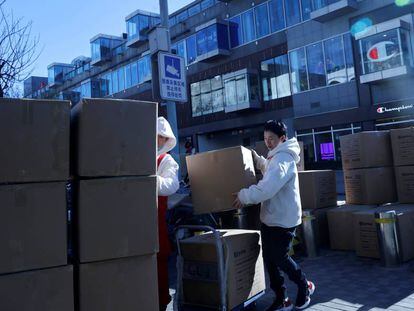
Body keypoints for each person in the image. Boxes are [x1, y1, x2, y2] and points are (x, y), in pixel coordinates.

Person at [233, 120, 315, 311]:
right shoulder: (276, 157)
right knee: (270, 259)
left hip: (283, 219)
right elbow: (270, 171)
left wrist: (243, 195)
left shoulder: (284, 159)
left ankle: (304, 285)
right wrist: (259, 160)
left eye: (271, 139)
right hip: (271, 217)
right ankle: (281, 298)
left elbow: (268, 187)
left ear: (282, 138)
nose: (268, 142)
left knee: (280, 257)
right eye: (265, 139)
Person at [156, 116, 180, 311]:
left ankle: (162, 302)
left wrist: (147, 179)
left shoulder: (167, 160)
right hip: (137, 219)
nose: (160, 140)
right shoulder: (139, 155)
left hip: (156, 219)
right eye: (157, 135)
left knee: (159, 261)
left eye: (163, 136)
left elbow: (172, 185)